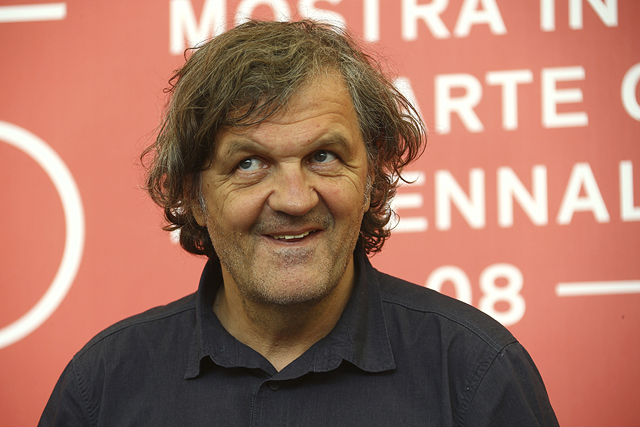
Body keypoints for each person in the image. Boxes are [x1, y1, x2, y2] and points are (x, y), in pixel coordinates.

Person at [39, 20, 559, 426]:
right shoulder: (102, 389)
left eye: (323, 156)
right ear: (193, 195)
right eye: (249, 163)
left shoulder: (474, 374)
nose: (293, 199)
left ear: (372, 176)